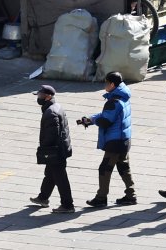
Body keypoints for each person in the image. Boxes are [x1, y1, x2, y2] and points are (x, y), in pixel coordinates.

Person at [82, 72, 137, 207]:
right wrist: (91, 119)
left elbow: (106, 121)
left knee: (105, 169)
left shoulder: (113, 101)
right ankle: (131, 195)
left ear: (112, 84)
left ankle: (101, 197)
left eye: (106, 82)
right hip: (125, 139)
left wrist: (92, 121)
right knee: (124, 167)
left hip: (115, 141)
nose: (104, 85)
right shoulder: (123, 96)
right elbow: (107, 115)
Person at [29, 85, 74, 213]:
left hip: (55, 150)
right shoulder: (55, 107)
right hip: (60, 148)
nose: (38, 97)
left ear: (48, 96)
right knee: (50, 174)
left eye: (40, 95)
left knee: (60, 178)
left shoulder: (51, 112)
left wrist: (43, 149)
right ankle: (43, 198)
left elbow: (52, 135)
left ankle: (67, 205)